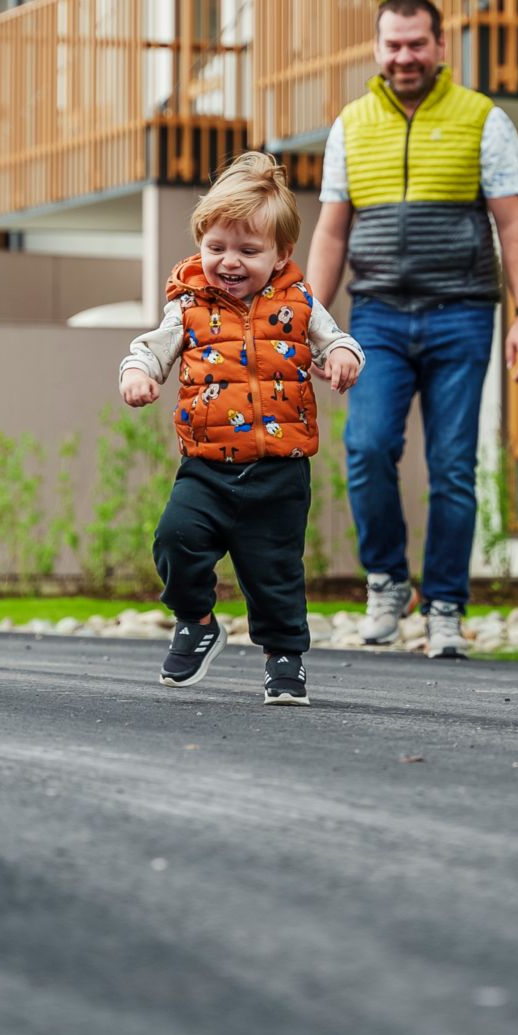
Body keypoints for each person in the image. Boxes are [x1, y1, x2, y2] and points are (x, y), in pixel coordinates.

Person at [306, 0, 518, 660]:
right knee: (367, 446)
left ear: (440, 47)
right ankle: (385, 581)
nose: (404, 56)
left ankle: (444, 603)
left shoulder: (481, 120)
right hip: (376, 315)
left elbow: (512, 225)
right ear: (376, 50)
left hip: (461, 315)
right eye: (392, 44)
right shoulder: (350, 125)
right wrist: (312, 323)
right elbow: (330, 232)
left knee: (452, 466)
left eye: (416, 43)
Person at [120, 151, 363, 706]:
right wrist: (136, 375)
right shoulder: (189, 308)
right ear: (201, 243)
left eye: (248, 251)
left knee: (274, 571)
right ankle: (197, 622)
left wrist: (346, 359)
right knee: (175, 540)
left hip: (279, 470)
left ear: (281, 256)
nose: (229, 262)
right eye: (216, 248)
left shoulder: (299, 303)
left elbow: (337, 340)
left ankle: (284, 660)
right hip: (205, 466)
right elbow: (149, 351)